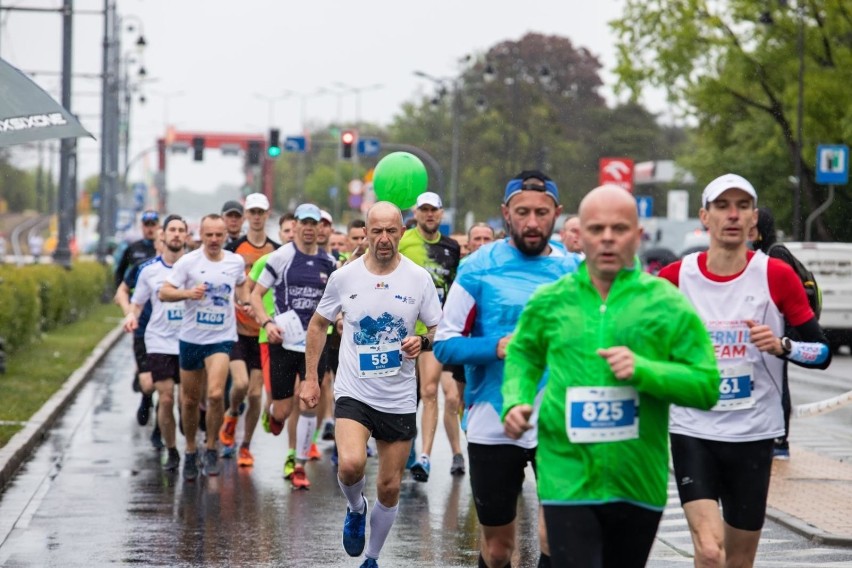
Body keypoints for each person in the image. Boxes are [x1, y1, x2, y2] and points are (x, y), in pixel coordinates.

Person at [501, 184, 720, 568]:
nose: (607, 238)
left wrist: (645, 370)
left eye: (618, 229)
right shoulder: (550, 300)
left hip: (636, 480)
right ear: (579, 235)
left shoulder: (666, 303)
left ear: (637, 236)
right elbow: (522, 354)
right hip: (566, 474)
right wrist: (516, 399)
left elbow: (706, 386)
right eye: (597, 228)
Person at [658, 173, 832, 567]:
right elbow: (637, 335)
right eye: (722, 206)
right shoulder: (674, 278)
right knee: (708, 550)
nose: (732, 215)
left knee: (737, 561)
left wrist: (783, 345)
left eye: (742, 206)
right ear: (704, 217)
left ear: (754, 217)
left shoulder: (775, 275)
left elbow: (821, 352)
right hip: (693, 430)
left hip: (753, 434)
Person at [434, 170, 580, 568]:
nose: (532, 222)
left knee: (556, 536)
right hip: (492, 418)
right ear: (506, 213)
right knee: (499, 549)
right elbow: (444, 344)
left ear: (557, 214)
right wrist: (495, 346)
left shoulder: (574, 271)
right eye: (522, 212)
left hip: (558, 417)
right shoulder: (479, 267)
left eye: (541, 212)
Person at [300, 201, 442, 568]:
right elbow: (318, 325)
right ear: (365, 231)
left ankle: (372, 558)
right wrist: (311, 378)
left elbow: (439, 331)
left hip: (397, 396)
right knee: (350, 465)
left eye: (390, 231)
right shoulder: (344, 277)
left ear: (401, 232)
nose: (383, 239)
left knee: (390, 486)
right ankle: (355, 507)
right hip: (354, 391)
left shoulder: (418, 278)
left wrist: (421, 342)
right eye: (375, 231)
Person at [249, 203, 336, 488]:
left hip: (315, 345)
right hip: (284, 342)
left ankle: (299, 465)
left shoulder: (329, 264)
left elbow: (338, 304)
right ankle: (272, 413)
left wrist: (342, 320)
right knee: (284, 411)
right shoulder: (280, 258)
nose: (310, 229)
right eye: (305, 223)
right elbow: (255, 295)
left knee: (310, 401)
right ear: (296, 225)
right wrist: (266, 324)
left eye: (315, 223)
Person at [159, 214, 252, 481]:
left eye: (218, 235)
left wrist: (244, 302)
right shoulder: (188, 262)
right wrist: (188, 293)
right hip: (191, 339)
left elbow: (242, 285)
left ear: (225, 236)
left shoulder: (234, 262)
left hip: (221, 338)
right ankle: (190, 450)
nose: (213, 240)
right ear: (201, 235)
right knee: (189, 400)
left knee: (214, 395)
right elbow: (164, 292)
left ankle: (211, 447)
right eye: (208, 235)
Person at [399, 191, 461, 481]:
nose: (429, 215)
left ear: (441, 213)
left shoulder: (452, 247)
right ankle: (405, 446)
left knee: (428, 391)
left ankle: (424, 456)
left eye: (434, 210)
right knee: (404, 396)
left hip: (435, 332)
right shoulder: (404, 241)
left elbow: (457, 290)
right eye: (423, 210)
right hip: (403, 330)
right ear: (416, 213)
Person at [125, 215, 189, 471]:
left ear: (186, 236)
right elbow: (137, 303)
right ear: (162, 236)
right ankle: (172, 450)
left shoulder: (195, 266)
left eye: (180, 230)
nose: (175, 234)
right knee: (165, 399)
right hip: (159, 340)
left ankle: (190, 437)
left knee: (188, 402)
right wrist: (131, 316)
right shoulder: (149, 270)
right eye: (171, 230)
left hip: (188, 341)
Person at [219, 193, 279, 467]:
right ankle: (232, 415)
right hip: (237, 329)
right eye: (252, 212)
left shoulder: (277, 252)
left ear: (267, 215)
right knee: (240, 384)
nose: (256, 217)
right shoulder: (233, 248)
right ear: (246, 216)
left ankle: (245, 445)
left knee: (256, 394)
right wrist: (238, 301)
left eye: (260, 212)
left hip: (264, 333)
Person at [114, 210, 159, 289]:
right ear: (142, 226)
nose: (150, 228)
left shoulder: (164, 248)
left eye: (153, 224)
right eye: (147, 224)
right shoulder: (133, 248)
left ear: (158, 226)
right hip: (135, 295)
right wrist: (121, 290)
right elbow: (120, 271)